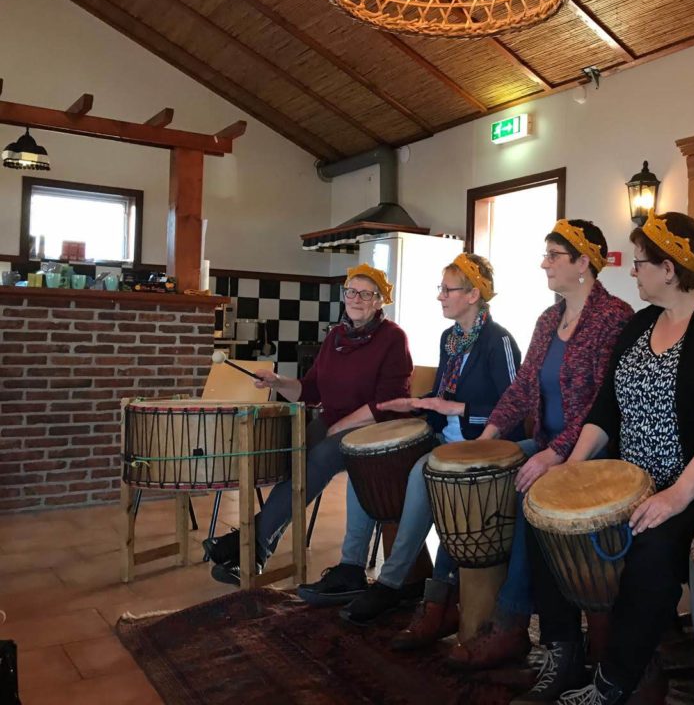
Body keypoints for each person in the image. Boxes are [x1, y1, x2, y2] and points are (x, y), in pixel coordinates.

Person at [513, 212, 694, 705]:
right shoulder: (640, 324)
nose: (633, 272)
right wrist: (570, 468)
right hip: (634, 477)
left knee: (653, 545)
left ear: (670, 269)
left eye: (640, 264)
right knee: (546, 514)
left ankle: (613, 682)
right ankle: (561, 647)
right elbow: (606, 409)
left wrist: (677, 495)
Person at [420, 219, 634, 670]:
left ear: (583, 262)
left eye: (553, 256)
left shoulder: (614, 318)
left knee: (526, 489)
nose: (544, 264)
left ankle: (512, 623)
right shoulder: (549, 319)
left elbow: (603, 403)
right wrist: (488, 438)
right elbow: (520, 390)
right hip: (544, 442)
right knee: (476, 474)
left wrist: (555, 455)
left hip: (593, 451)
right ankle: (442, 599)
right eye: (546, 255)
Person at [322, 253, 522, 622]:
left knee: (419, 473)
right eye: (440, 288)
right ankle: (351, 567)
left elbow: (515, 409)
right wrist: (415, 405)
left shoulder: (499, 341)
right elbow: (442, 400)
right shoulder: (451, 338)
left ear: (473, 295)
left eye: (448, 289)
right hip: (442, 437)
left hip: (480, 446)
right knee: (364, 465)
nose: (440, 296)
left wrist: (458, 409)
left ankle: (392, 582)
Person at [202, 264, 413, 586]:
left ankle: (247, 544)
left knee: (321, 456)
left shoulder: (393, 338)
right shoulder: (336, 337)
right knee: (292, 452)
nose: (356, 299)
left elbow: (389, 403)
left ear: (379, 301)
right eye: (351, 292)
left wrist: (339, 426)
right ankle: (255, 549)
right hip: (333, 421)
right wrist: (277, 381)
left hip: (374, 428)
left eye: (366, 294)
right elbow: (311, 390)